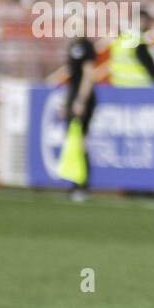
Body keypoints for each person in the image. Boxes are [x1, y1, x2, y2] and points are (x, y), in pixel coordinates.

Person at [45, 28, 99, 200]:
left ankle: (82, 185)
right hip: (73, 97)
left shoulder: (86, 47)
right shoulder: (73, 46)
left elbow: (89, 75)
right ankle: (75, 182)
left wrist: (81, 100)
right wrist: (67, 102)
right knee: (73, 142)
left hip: (82, 99)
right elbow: (72, 78)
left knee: (81, 140)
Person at [108, 8, 154, 87]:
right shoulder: (138, 39)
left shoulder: (121, 38)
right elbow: (147, 62)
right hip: (139, 85)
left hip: (118, 84)